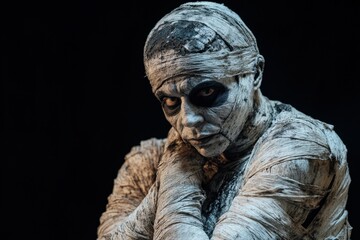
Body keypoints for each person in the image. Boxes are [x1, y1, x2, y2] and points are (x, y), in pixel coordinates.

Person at [97, 1, 352, 239]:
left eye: (207, 93)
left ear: (255, 74)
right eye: (171, 102)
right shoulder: (147, 164)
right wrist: (174, 166)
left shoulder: (299, 148)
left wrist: (176, 178)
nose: (188, 120)